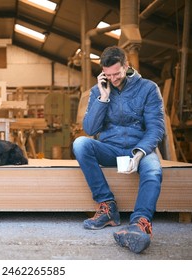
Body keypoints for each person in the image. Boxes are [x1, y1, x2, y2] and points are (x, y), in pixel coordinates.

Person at [72, 46, 165, 254]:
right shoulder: (98, 90)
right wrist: (103, 98)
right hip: (110, 148)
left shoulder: (148, 89)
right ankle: (107, 207)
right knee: (80, 144)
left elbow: (156, 128)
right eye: (108, 75)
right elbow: (90, 129)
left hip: (140, 148)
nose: (113, 79)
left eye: (117, 73)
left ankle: (140, 224)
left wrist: (140, 152)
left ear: (127, 66)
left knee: (153, 170)